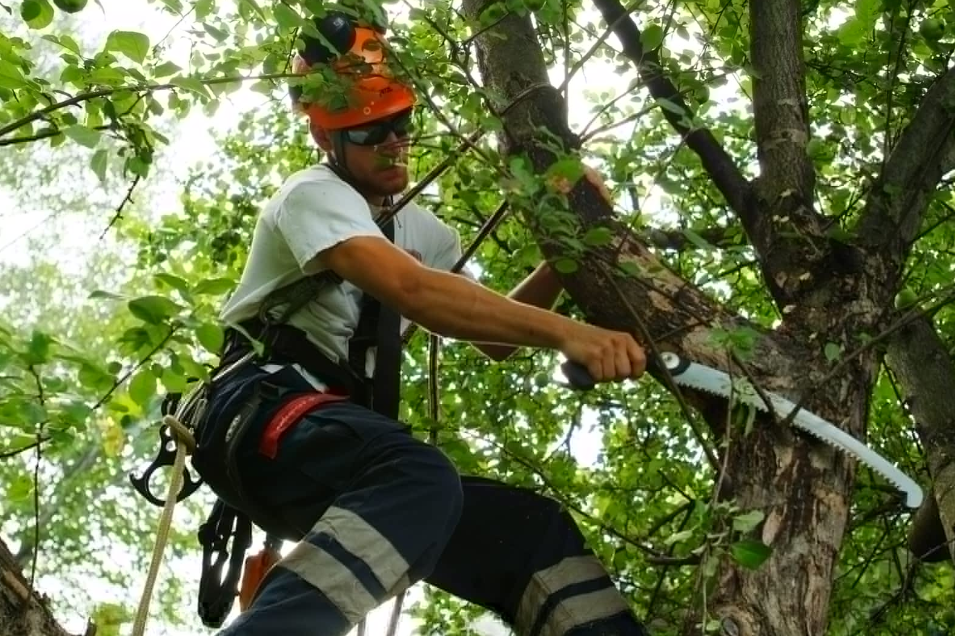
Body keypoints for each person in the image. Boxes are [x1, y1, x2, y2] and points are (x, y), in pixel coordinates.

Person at [192, 9, 650, 636]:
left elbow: (490, 335)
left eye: (399, 124)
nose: (392, 141)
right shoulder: (311, 194)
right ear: (329, 140)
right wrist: (574, 335)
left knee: (531, 533)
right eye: (369, 132)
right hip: (258, 410)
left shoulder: (425, 233)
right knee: (419, 473)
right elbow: (414, 290)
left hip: (344, 455)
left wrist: (565, 259)